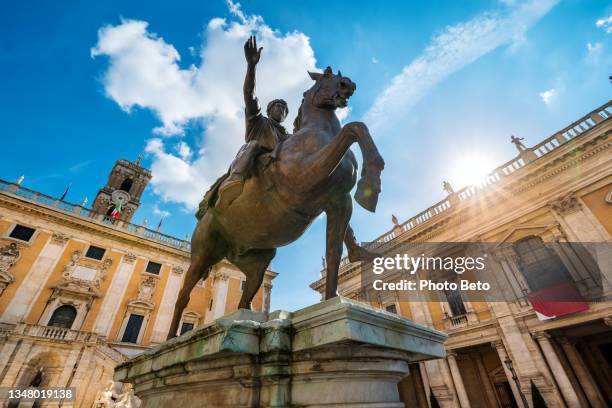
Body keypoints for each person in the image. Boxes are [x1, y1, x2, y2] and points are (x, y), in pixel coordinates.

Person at [196, 36, 289, 219]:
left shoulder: (288, 137)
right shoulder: (258, 120)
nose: (281, 110)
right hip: (253, 162)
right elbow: (249, 93)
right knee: (253, 145)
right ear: (269, 110)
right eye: (277, 106)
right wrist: (252, 66)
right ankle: (233, 180)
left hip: (276, 169)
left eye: (284, 109)